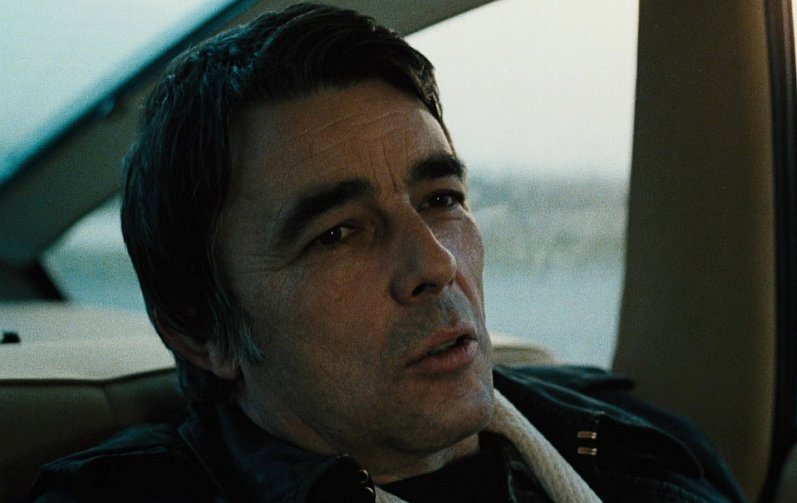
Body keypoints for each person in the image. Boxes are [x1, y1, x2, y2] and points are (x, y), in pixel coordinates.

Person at [32, 4, 745, 502]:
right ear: (200, 328)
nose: (435, 265)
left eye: (441, 199)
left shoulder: (637, 437)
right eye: (337, 233)